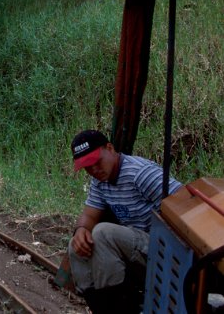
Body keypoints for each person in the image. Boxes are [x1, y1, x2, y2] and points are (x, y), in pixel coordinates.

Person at [68, 129, 183, 314]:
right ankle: (101, 307)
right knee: (76, 247)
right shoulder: (100, 181)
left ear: (110, 148)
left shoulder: (140, 174)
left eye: (97, 162)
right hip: (136, 247)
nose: (94, 170)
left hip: (161, 249)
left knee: (103, 233)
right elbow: (89, 215)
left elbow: (183, 202)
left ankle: (121, 306)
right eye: (88, 167)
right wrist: (80, 230)